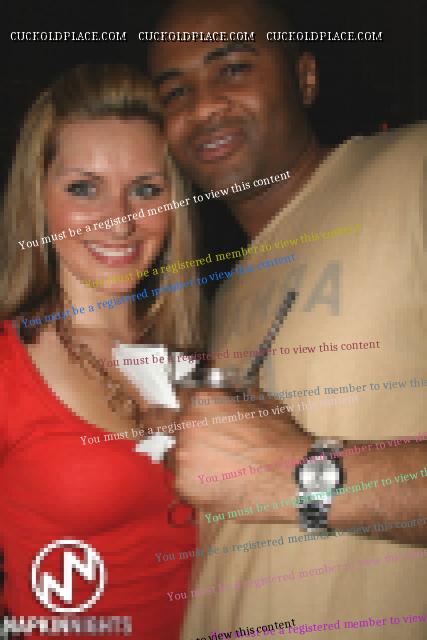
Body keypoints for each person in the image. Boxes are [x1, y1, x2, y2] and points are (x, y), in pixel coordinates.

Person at [149, 0, 427, 637]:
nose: (202, 107)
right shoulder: (221, 299)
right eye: (175, 92)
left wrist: (299, 477)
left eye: (233, 68)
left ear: (304, 77)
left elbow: (271, 478)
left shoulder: (412, 168)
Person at [0, 63, 202, 639]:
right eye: (84, 189)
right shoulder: (9, 367)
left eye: (146, 190)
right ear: (39, 200)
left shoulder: (194, 362)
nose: (120, 221)